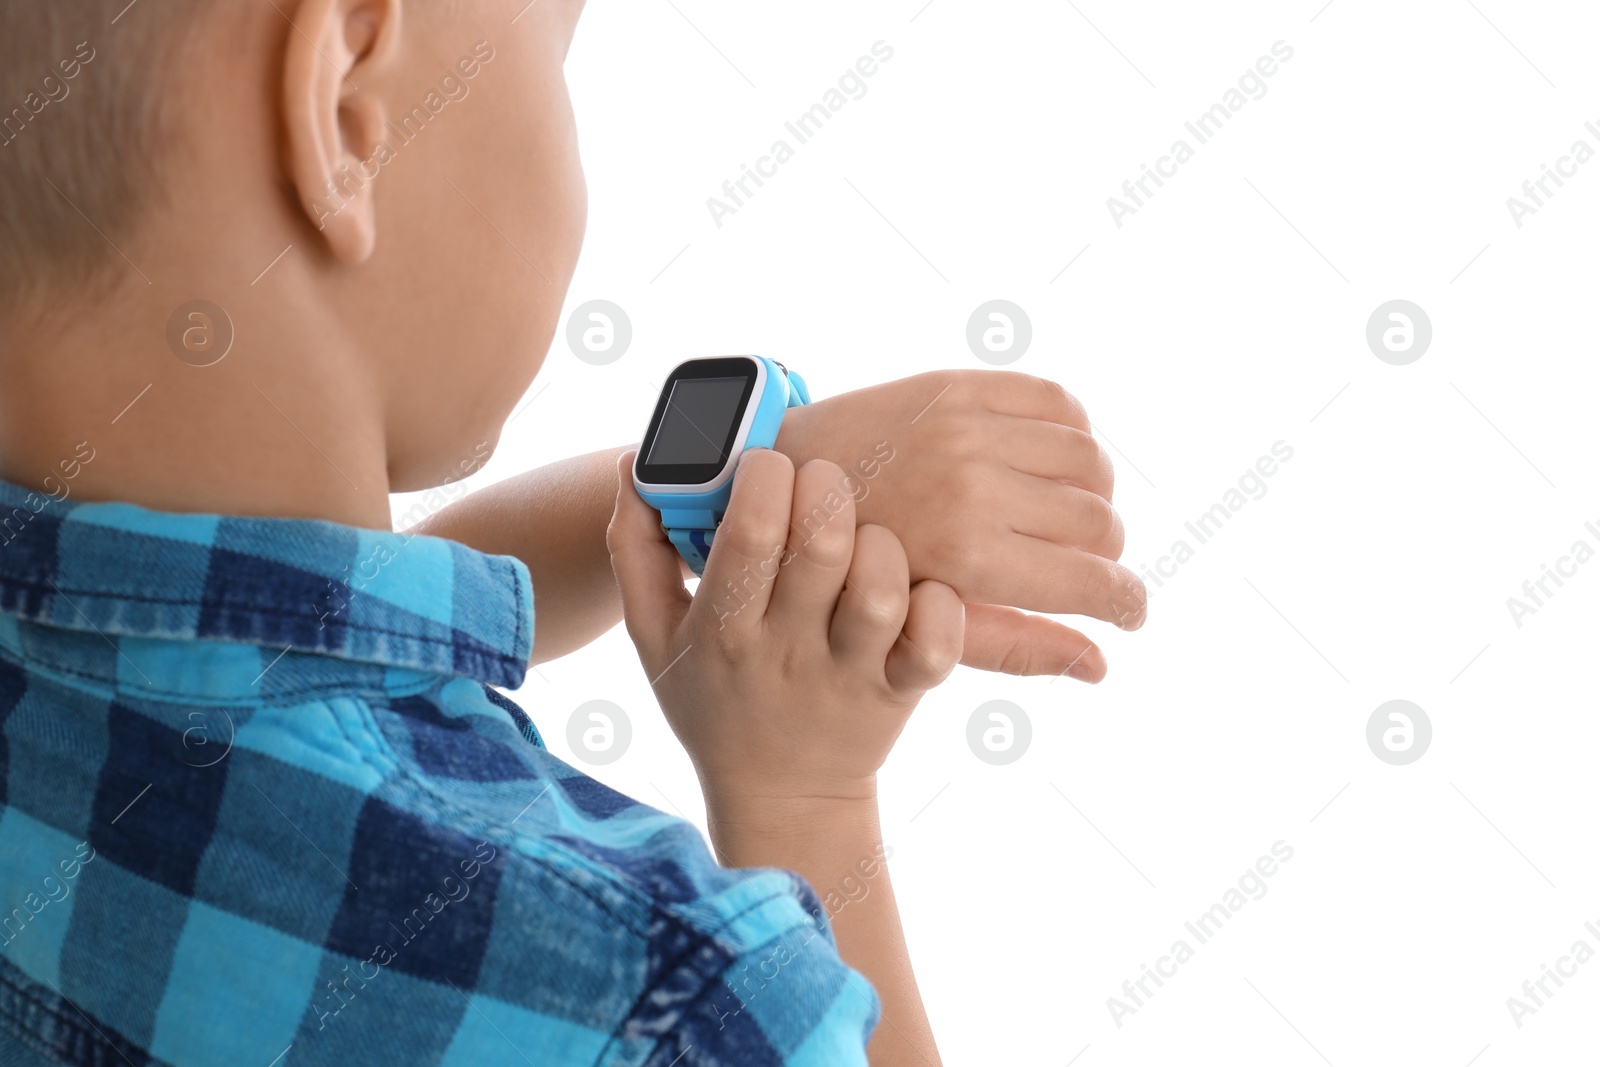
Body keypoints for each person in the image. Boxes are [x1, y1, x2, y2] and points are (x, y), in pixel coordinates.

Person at [0, 1, 1144, 1064]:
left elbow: (296, 633)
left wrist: (702, 499)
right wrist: (803, 795)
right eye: (560, 49)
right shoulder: (655, 991)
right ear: (344, 101)